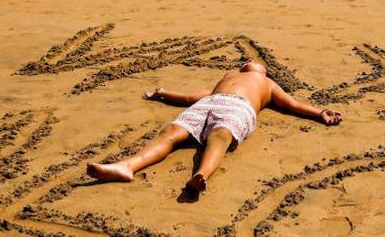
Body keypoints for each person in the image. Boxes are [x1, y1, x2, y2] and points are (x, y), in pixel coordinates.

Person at [85, 61, 343, 194]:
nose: (250, 61)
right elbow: (191, 97)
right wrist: (163, 93)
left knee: (220, 136)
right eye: (247, 61)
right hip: (209, 103)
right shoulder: (227, 77)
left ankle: (201, 176)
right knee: (171, 132)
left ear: (263, 71)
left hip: (239, 107)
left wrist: (319, 112)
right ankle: (127, 166)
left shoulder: (267, 84)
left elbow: (292, 104)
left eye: (256, 62)